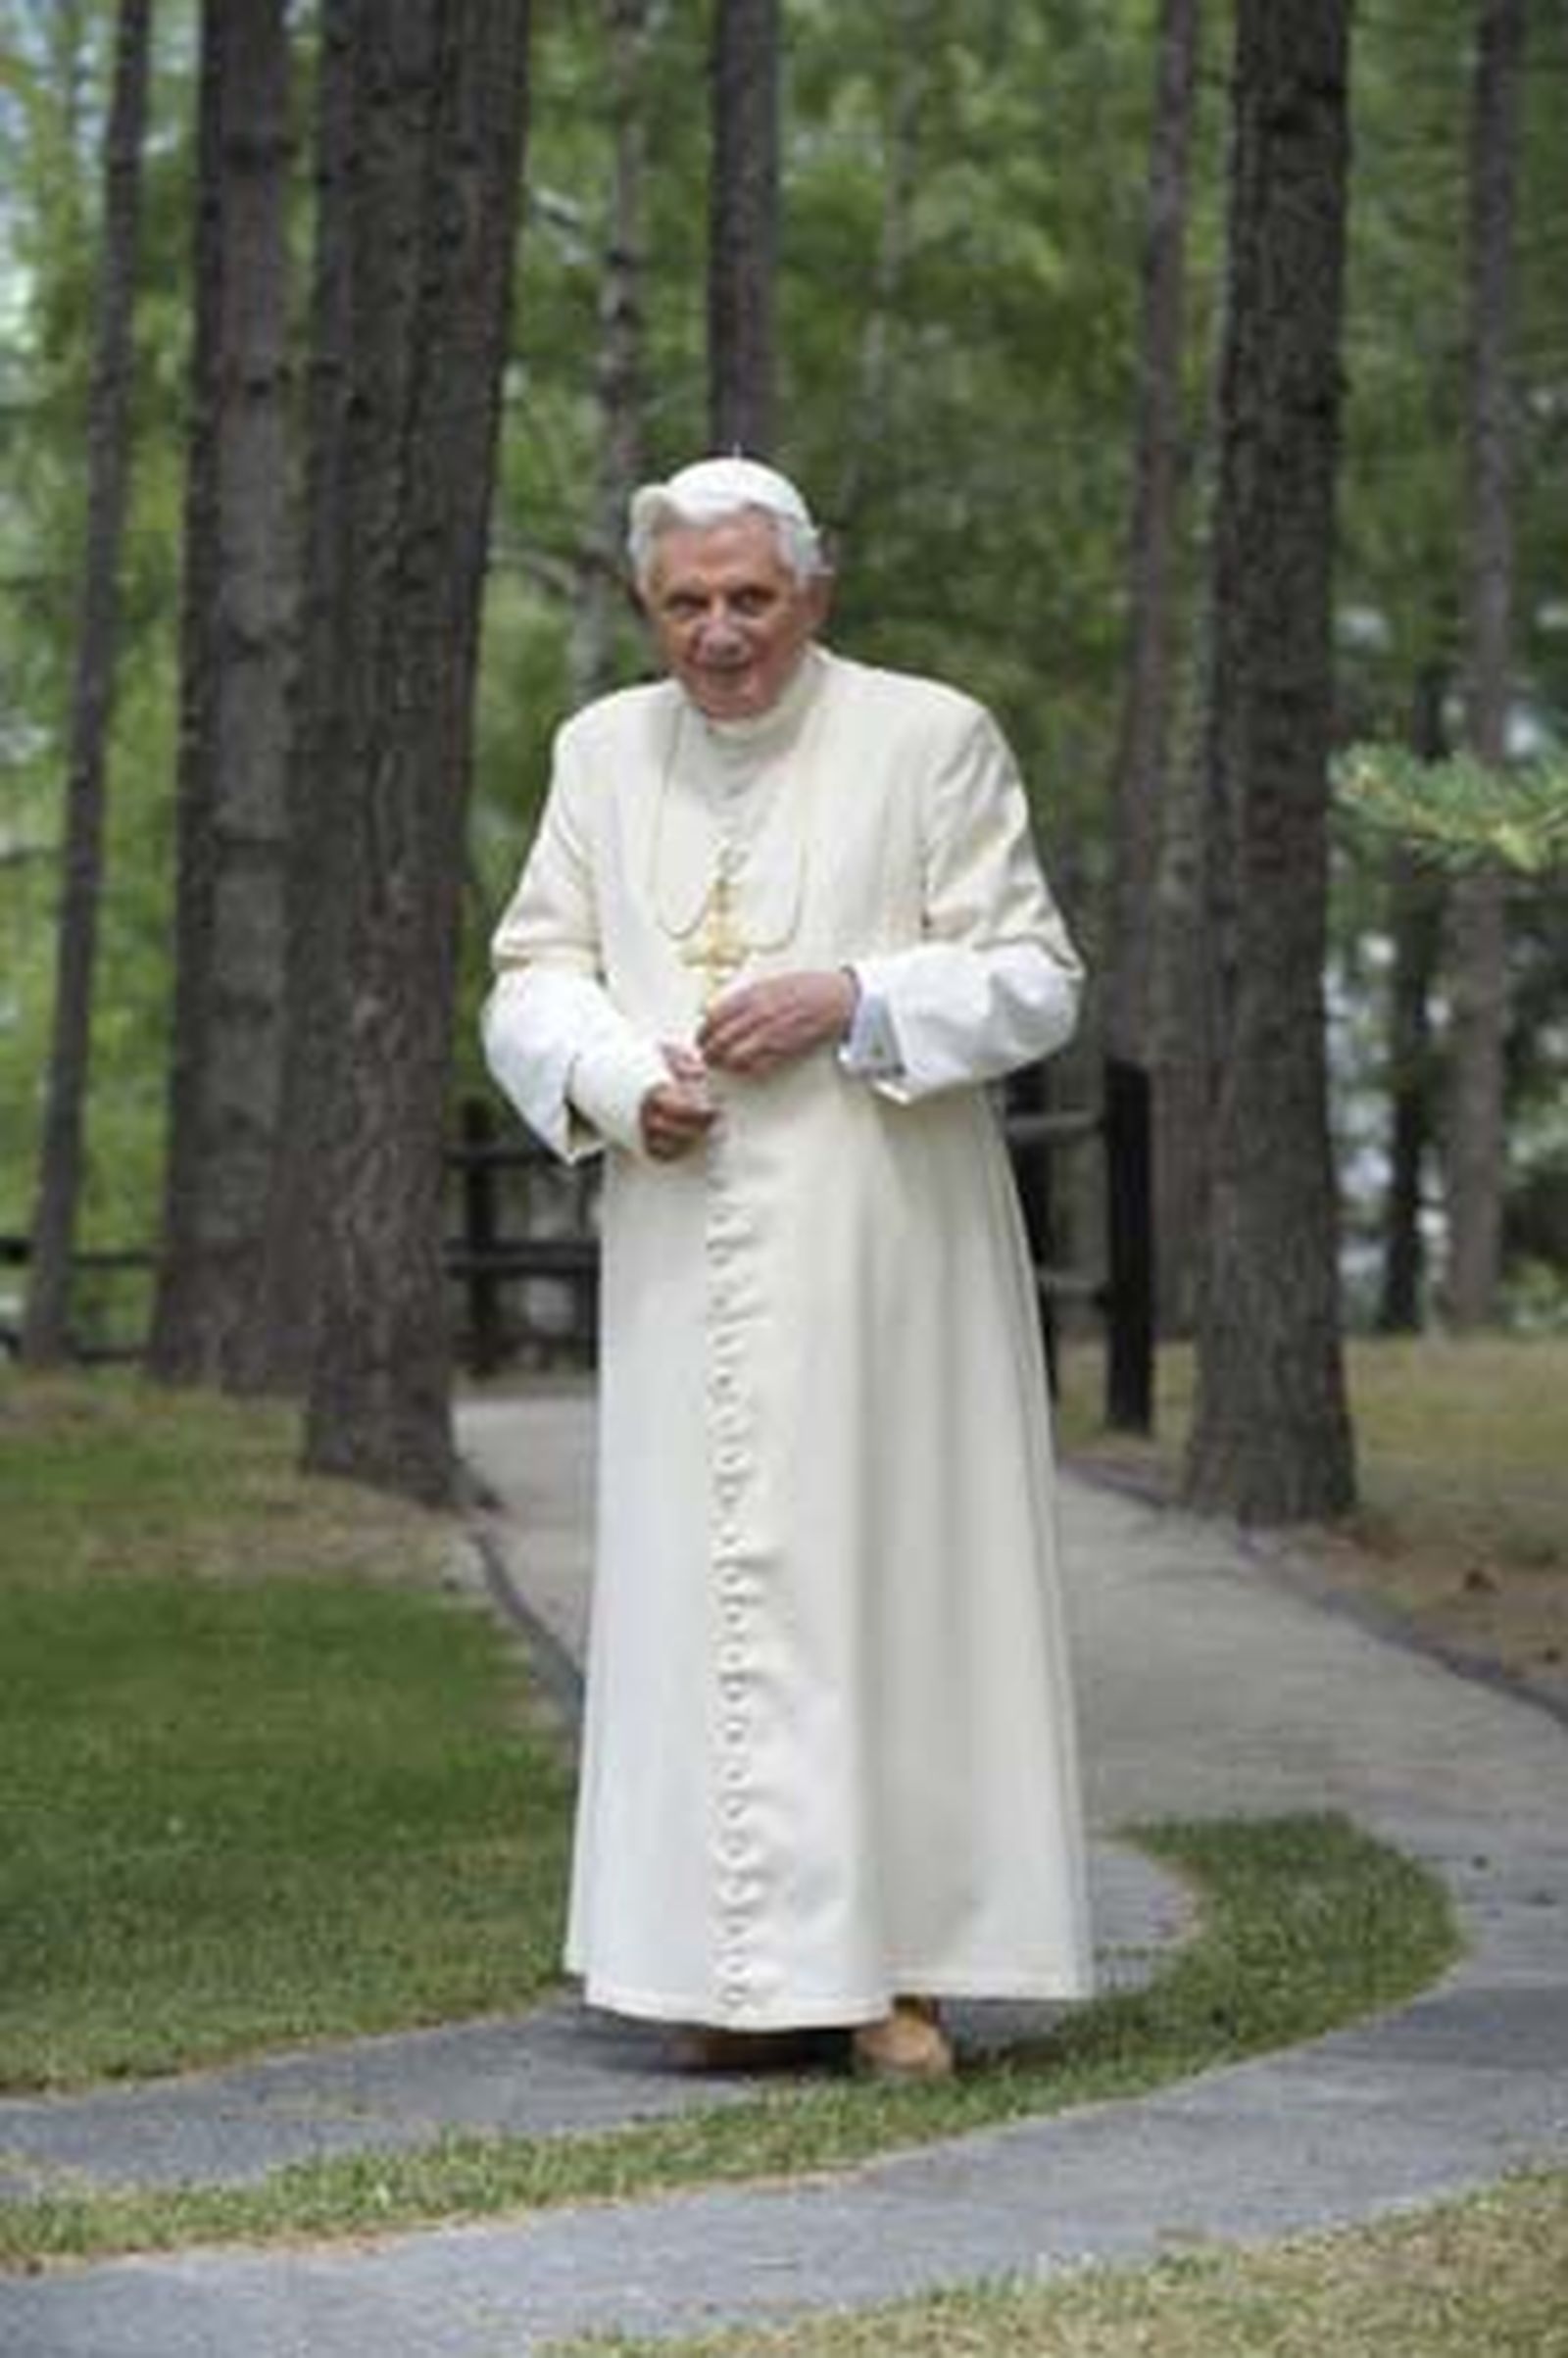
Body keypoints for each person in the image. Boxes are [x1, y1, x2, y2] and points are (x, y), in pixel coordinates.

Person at [482, 456, 1092, 2080]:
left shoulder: (930, 734)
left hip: (884, 1248)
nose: (721, 634)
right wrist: (619, 1083)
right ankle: (726, 1972)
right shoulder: (601, 753)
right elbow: (531, 975)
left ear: (813, 592)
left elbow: (1035, 982)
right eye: (687, 602)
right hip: (686, 1247)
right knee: (706, 1597)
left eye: (751, 597)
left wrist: (856, 999)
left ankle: (897, 1966)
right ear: (647, 604)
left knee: (876, 1584)